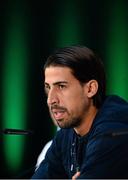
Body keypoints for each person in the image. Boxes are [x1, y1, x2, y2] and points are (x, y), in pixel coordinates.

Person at [32, 45, 128, 179]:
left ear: (90, 89)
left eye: (61, 86)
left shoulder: (114, 129)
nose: (50, 100)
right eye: (48, 87)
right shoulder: (67, 132)